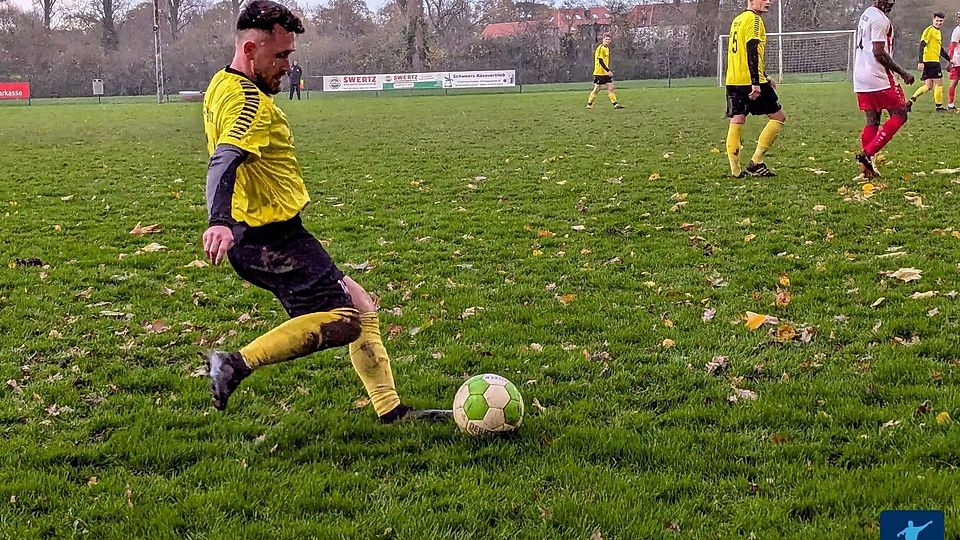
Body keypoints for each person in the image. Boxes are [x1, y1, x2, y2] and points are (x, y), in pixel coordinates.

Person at [200, 0, 449, 423]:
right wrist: (219, 221)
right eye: (279, 55)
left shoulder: (221, 85)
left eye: (290, 55)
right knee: (344, 318)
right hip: (267, 239)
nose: (287, 65)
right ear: (249, 51)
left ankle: (391, 410)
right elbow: (224, 158)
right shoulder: (249, 105)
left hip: (274, 232)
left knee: (360, 304)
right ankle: (234, 363)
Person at [723, 0, 785, 178]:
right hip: (750, 81)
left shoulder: (738, 19)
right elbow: (752, 50)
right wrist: (757, 82)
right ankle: (756, 161)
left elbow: (743, 52)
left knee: (736, 120)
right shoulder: (755, 20)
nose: (768, 2)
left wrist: (765, 76)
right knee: (779, 117)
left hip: (733, 79)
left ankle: (735, 172)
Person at [854, 0, 914, 179]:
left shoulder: (867, 13)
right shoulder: (881, 20)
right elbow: (878, 52)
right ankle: (868, 153)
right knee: (900, 114)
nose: (891, 2)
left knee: (872, 120)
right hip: (879, 77)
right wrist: (902, 72)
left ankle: (867, 171)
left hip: (860, 77)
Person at [908, 12, 950, 111]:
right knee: (939, 84)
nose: (939, 23)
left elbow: (939, 49)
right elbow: (922, 45)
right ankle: (939, 107)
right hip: (931, 61)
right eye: (937, 20)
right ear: (933, 20)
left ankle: (910, 101)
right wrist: (920, 61)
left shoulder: (938, 32)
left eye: (941, 21)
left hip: (932, 61)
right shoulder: (929, 30)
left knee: (928, 86)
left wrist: (949, 59)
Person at [586, 33, 624, 110]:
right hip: (599, 72)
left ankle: (615, 104)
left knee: (611, 88)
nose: (607, 41)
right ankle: (589, 104)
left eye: (609, 39)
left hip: (605, 73)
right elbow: (600, 61)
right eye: (606, 39)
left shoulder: (607, 48)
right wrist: (608, 70)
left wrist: (607, 71)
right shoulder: (600, 48)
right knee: (597, 89)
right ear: (603, 39)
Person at [948, 12, 960, 109]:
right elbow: (952, 45)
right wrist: (950, 59)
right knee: (954, 82)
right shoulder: (957, 30)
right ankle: (950, 104)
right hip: (957, 60)